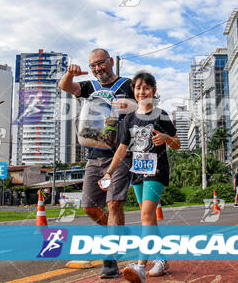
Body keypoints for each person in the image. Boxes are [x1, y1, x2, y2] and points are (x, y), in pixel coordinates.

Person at [58, 48, 136, 278]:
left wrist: (126, 106)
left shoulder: (127, 84)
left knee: (114, 204)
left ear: (111, 62)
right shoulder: (90, 88)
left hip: (120, 153)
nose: (97, 69)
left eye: (100, 63)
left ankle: (110, 260)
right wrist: (70, 73)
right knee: (89, 207)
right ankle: (120, 232)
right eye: (92, 65)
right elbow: (64, 86)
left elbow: (145, 104)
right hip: (93, 154)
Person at [101, 71, 180, 282]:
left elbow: (178, 143)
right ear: (134, 92)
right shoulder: (129, 119)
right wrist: (109, 171)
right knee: (150, 219)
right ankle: (161, 258)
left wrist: (166, 138)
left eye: (146, 88)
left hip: (157, 171)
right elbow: (121, 150)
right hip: (137, 172)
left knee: (146, 215)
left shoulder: (161, 115)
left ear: (153, 91)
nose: (142, 92)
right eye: (138, 88)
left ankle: (140, 267)